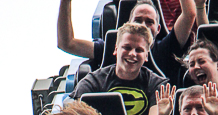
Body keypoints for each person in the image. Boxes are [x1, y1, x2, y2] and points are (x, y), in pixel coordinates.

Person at [70, 22, 168, 115]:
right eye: (127, 48)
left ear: (146, 55)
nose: (132, 54)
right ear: (116, 49)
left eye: (139, 50)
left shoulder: (157, 84)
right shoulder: (92, 83)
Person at [58, 0, 197, 85]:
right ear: (128, 23)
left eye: (149, 22)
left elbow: (189, 14)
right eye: (138, 20)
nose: (143, 25)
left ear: (158, 28)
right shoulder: (110, 48)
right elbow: (67, 43)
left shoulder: (166, 48)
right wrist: (65, 1)